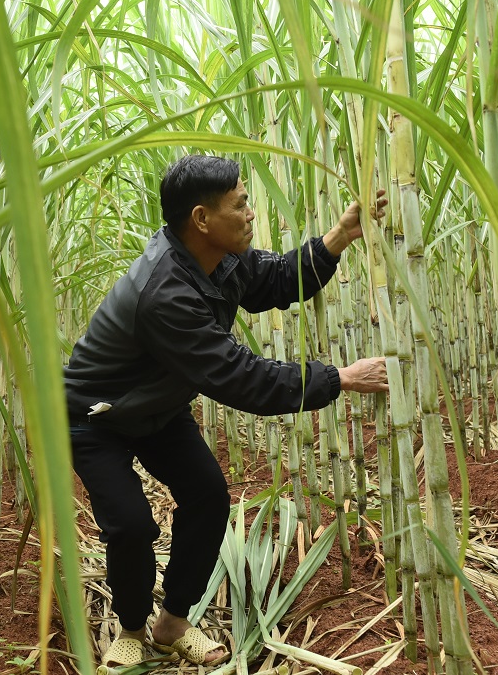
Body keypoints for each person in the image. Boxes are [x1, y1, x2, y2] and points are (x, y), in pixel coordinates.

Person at [64, 155, 388, 671]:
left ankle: (172, 624)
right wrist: (340, 378)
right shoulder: (164, 293)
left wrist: (342, 234)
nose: (251, 212)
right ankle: (129, 627)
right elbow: (243, 379)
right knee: (130, 524)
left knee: (208, 496)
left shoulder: (221, 258)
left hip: (160, 407)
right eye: (240, 204)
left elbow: (280, 279)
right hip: (96, 416)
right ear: (201, 219)